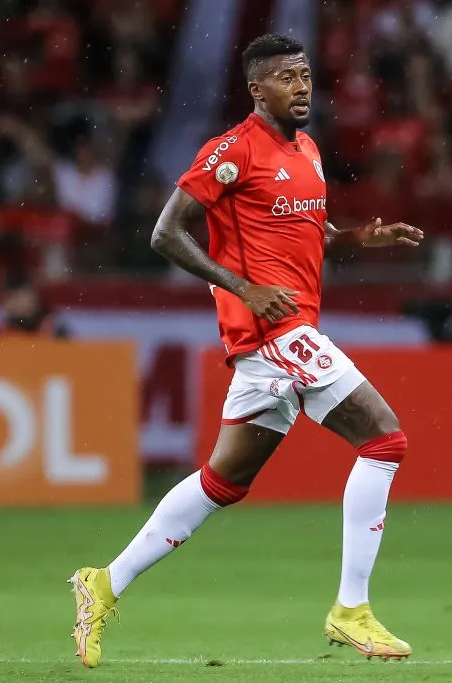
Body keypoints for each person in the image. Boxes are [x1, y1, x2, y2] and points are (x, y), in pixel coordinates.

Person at [68, 34, 424, 668]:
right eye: (287, 77)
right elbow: (164, 232)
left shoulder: (308, 150)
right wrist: (241, 287)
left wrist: (358, 238)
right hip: (273, 332)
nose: (303, 86)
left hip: (280, 337)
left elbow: (304, 230)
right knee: (384, 440)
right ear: (257, 89)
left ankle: (103, 582)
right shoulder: (231, 151)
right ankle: (351, 609)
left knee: (222, 482)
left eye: (307, 74)